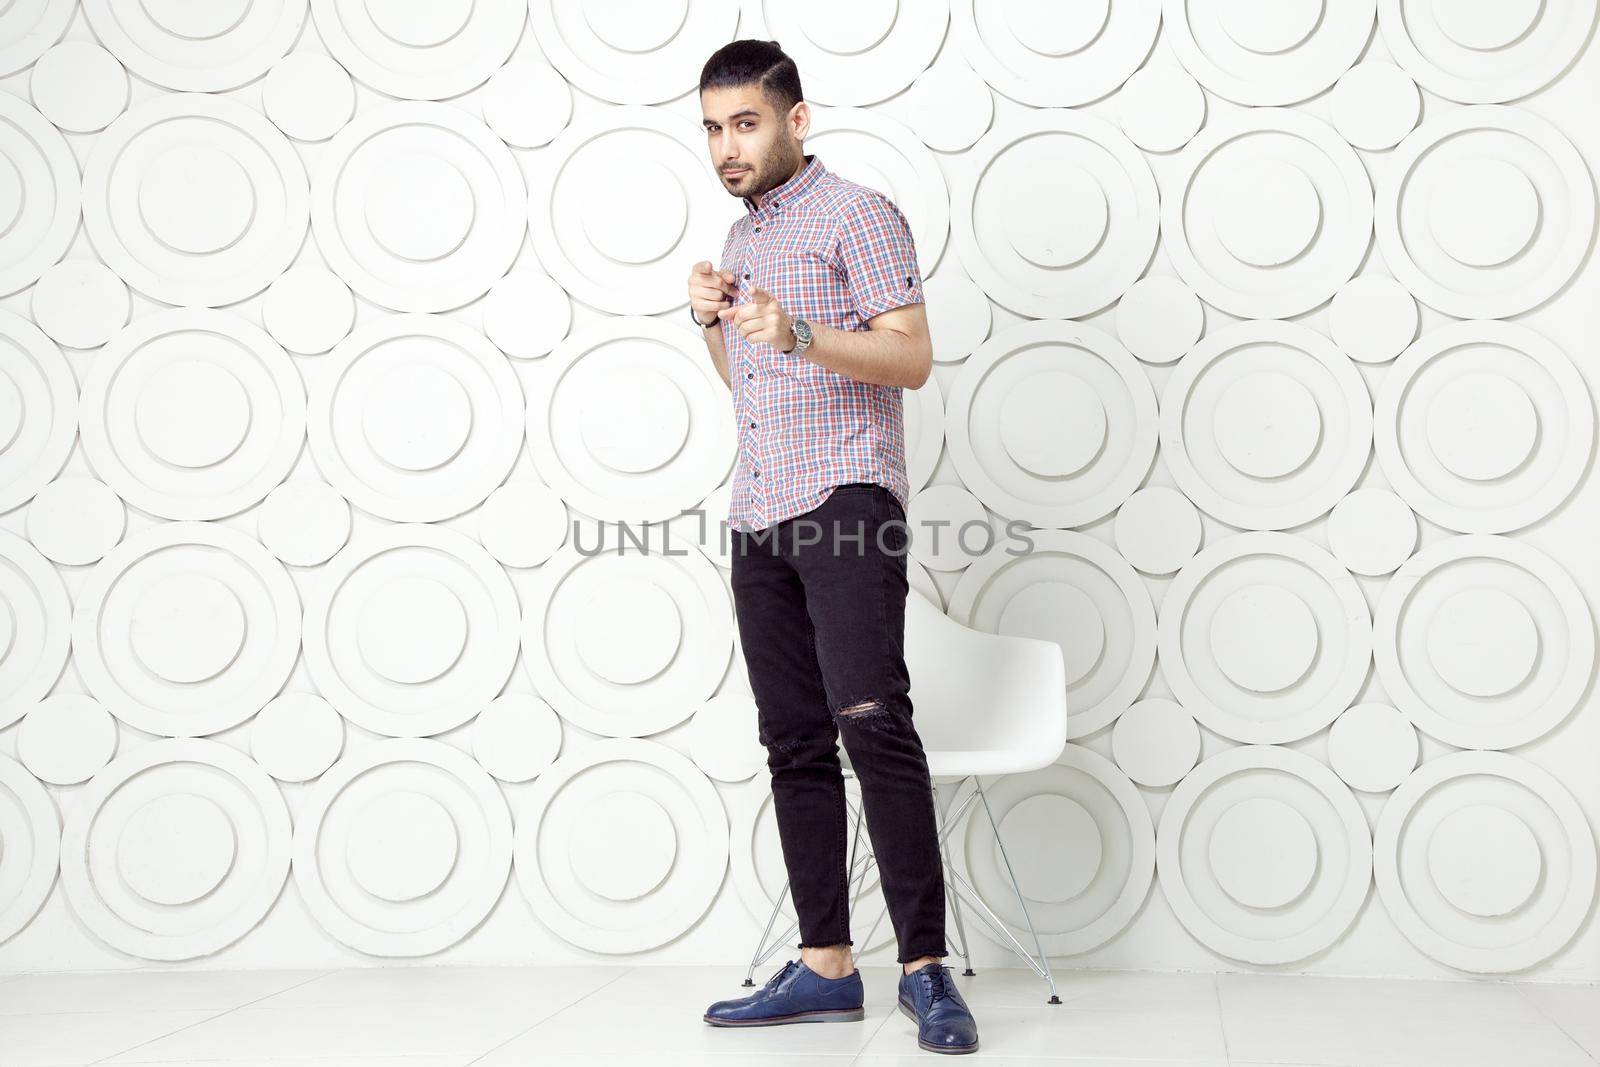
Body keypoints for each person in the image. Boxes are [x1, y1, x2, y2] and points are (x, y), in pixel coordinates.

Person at [686, 39, 979, 1055]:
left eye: (746, 122)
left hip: (847, 500)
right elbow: (751, 386)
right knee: (794, 738)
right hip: (759, 512)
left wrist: (799, 329)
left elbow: (912, 356)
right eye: (715, 127)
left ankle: (926, 968)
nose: (728, 145)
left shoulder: (859, 211)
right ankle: (823, 966)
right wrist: (711, 326)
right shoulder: (739, 233)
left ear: (795, 120)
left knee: (870, 719)